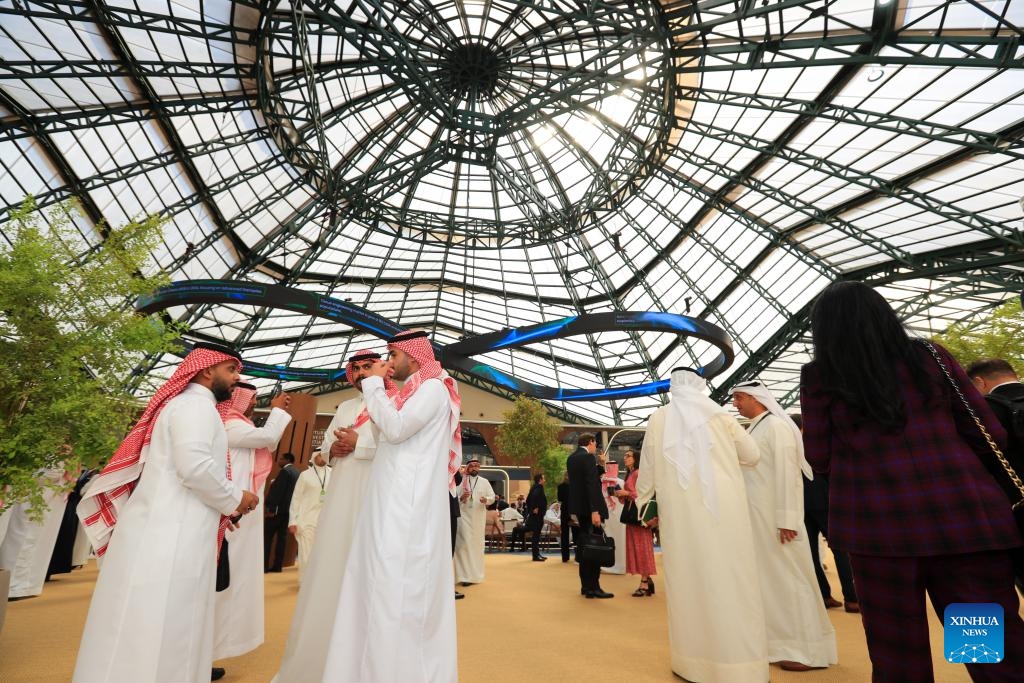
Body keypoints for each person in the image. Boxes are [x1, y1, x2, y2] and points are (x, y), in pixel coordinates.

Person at [801, 281, 1024, 682]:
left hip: (879, 536)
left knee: (899, 656)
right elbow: (987, 429)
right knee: (986, 648)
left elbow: (818, 455)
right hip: (964, 525)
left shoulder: (820, 376)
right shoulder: (929, 356)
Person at [73, 343, 259, 683]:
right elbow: (195, 469)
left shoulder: (188, 406)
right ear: (207, 370)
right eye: (231, 370)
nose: (237, 378)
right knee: (164, 626)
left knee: (147, 625)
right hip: (171, 537)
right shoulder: (194, 408)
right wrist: (237, 497)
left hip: (167, 532)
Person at [322, 329, 460, 682]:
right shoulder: (412, 391)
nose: (387, 363)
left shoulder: (431, 389)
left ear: (411, 357)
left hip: (407, 505)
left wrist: (372, 385)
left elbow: (396, 430)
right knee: (378, 583)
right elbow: (387, 434)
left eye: (391, 356)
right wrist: (381, 391)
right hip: (391, 499)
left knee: (397, 586)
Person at [637, 368, 767, 682]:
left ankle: (693, 664)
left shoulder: (660, 418)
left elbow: (649, 467)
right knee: (732, 578)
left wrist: (644, 505)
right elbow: (752, 455)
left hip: (682, 515)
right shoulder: (721, 416)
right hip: (727, 511)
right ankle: (742, 666)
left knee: (688, 580)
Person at [273, 349, 391, 683]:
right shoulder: (346, 408)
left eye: (369, 367)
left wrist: (361, 446)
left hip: (376, 498)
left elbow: (402, 448)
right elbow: (325, 449)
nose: (361, 373)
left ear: (383, 369)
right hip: (340, 500)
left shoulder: (394, 402)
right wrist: (333, 450)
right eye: (356, 369)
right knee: (334, 565)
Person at [730, 379, 837, 673]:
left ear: (756, 398)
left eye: (739, 398)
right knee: (774, 584)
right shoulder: (757, 427)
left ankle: (806, 651)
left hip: (779, 522)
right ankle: (783, 645)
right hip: (762, 520)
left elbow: (788, 474)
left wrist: (787, 518)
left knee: (792, 582)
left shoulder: (775, 426)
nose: (735, 403)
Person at [211, 382, 291, 677]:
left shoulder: (237, 424)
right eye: (251, 398)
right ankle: (197, 657)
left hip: (241, 512)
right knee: (219, 584)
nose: (253, 403)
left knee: (227, 585)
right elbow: (269, 438)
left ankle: (206, 653)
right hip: (229, 514)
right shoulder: (229, 424)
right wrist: (278, 411)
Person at [790, 413, 859, 613]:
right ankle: (852, 598)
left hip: (801, 505)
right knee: (841, 551)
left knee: (811, 553)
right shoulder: (815, 444)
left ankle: (824, 595)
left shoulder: (788, 445)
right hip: (824, 502)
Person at [2, 465, 67, 599]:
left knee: (25, 541)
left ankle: (16, 586)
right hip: (24, 496)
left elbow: (53, 473)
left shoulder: (61, 455)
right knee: (16, 541)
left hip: (36, 498)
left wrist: (21, 473)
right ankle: (12, 584)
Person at [566, 433, 612, 598]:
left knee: (585, 548)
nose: (596, 447)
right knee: (595, 548)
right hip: (591, 510)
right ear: (590, 442)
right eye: (595, 444)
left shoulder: (572, 459)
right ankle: (595, 587)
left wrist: (600, 464)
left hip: (580, 510)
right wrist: (595, 511)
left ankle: (586, 587)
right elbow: (591, 484)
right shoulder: (587, 458)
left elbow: (586, 478)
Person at [615, 449, 656, 597]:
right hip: (632, 516)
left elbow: (644, 494)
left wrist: (627, 493)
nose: (625, 458)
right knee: (636, 548)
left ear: (636, 458)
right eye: (625, 455)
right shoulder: (631, 473)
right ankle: (647, 579)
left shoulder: (638, 473)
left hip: (639, 516)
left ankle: (644, 583)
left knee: (642, 548)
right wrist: (621, 494)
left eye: (628, 456)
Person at [288, 450, 331, 579]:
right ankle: (305, 581)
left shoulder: (333, 473)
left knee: (322, 553)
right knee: (306, 552)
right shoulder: (305, 475)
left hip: (326, 520)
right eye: (319, 455)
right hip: (306, 519)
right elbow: (296, 499)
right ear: (313, 457)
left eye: (324, 455)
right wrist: (292, 521)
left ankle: (316, 582)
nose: (322, 458)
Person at [454, 457, 496, 585]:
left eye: (477, 466)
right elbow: (453, 497)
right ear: (467, 467)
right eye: (472, 466)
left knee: (476, 547)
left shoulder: (484, 481)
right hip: (463, 517)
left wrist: (487, 500)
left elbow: (492, 497)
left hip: (478, 520)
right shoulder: (461, 481)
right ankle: (463, 576)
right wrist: (461, 498)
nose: (474, 468)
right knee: (463, 546)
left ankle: (474, 576)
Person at [263, 452, 298, 572]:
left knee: (267, 538)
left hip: (276, 512)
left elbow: (278, 492)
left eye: (281, 459)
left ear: (287, 460)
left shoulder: (285, 472)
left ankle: (264, 566)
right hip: (288, 512)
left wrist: (271, 509)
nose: (278, 461)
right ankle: (278, 566)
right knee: (281, 540)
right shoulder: (296, 472)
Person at [524, 473, 548, 561]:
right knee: (536, 535)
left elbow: (528, 500)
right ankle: (535, 556)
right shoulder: (539, 487)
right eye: (544, 478)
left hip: (536, 515)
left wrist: (532, 508)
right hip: (537, 516)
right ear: (540, 480)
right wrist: (535, 507)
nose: (545, 480)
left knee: (536, 535)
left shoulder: (534, 487)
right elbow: (534, 498)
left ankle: (537, 554)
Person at [557, 472, 572, 562]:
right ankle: (579, 556)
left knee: (564, 534)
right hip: (574, 511)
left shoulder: (560, 486)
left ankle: (565, 557)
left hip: (565, 510)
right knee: (576, 533)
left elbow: (560, 499)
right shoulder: (575, 486)